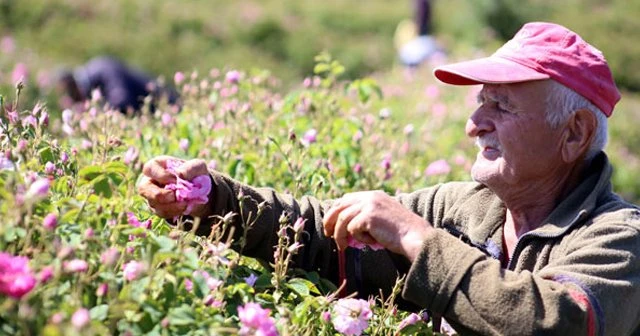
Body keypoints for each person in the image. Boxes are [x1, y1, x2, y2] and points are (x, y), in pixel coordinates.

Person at [138, 22, 640, 335]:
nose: (474, 123)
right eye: (480, 102)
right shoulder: (463, 208)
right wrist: (210, 199)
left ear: (573, 134)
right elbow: (317, 232)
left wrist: (417, 239)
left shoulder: (619, 237)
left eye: (501, 105)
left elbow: (559, 322)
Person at [56, 56, 179, 113]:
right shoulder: (95, 70)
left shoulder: (100, 70)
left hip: (168, 105)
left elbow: (122, 100)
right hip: (158, 109)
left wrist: (98, 114)